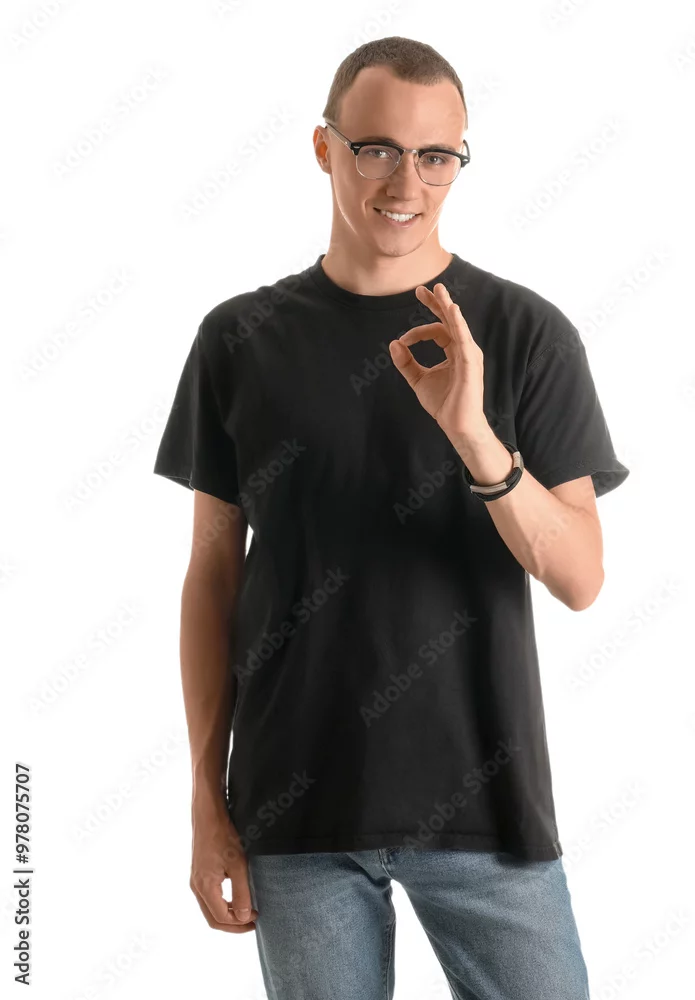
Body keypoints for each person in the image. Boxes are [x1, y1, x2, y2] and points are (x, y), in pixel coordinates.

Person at [153, 34, 629, 1000]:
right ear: (324, 148)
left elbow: (580, 577)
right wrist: (208, 798)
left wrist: (475, 438)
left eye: (435, 156)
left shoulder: (523, 335)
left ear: (458, 161)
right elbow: (212, 577)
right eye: (375, 149)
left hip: (487, 809)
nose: (405, 182)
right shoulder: (239, 339)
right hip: (296, 813)